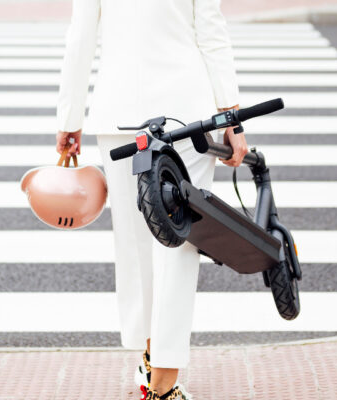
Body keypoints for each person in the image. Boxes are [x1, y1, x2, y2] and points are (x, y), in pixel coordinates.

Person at [55, 0, 248, 399]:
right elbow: (210, 31)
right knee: (180, 245)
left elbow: (81, 38)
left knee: (135, 245)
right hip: (186, 114)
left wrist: (69, 119)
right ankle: (163, 383)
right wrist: (232, 118)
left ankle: (150, 356)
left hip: (120, 115)